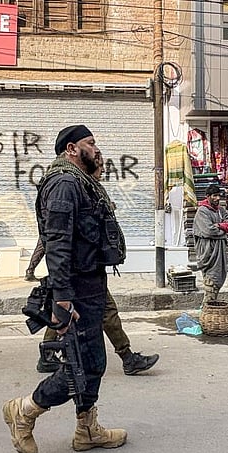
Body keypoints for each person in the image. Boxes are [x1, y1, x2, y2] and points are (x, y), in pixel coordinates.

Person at [3, 124, 127, 453]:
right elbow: (56, 245)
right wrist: (62, 298)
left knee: (94, 362)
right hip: (75, 287)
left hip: (90, 284)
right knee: (81, 366)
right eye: (91, 143)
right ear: (72, 148)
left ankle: (87, 429)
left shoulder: (82, 182)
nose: (96, 148)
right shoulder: (64, 184)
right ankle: (25, 410)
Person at [36, 151, 159, 376]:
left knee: (65, 309)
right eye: (100, 170)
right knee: (98, 312)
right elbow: (54, 239)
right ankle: (125, 357)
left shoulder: (86, 190)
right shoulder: (68, 185)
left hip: (84, 270)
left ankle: (48, 354)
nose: (102, 173)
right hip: (79, 271)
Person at [193, 184, 228, 306]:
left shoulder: (221, 210)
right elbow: (209, 231)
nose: (217, 198)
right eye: (214, 196)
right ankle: (207, 309)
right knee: (211, 280)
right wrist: (223, 230)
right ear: (208, 197)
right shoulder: (202, 211)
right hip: (208, 250)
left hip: (220, 249)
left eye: (218, 196)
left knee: (218, 277)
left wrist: (220, 225)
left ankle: (208, 309)